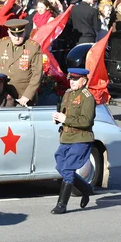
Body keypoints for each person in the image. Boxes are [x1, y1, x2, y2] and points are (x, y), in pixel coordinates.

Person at [51, 68, 95, 215]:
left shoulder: (87, 97)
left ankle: (61, 205)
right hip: (67, 137)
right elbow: (65, 112)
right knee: (60, 165)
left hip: (81, 137)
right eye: (71, 79)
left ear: (84, 81)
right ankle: (86, 188)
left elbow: (86, 121)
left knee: (68, 169)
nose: (72, 82)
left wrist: (66, 119)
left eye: (76, 79)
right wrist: (58, 118)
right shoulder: (68, 93)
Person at [0, 19, 43, 106]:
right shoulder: (2, 43)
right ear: (8, 32)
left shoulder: (33, 47)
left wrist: (27, 95)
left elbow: (37, 74)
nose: (17, 38)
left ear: (24, 32)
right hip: (4, 93)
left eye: (20, 34)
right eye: (14, 34)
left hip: (22, 96)